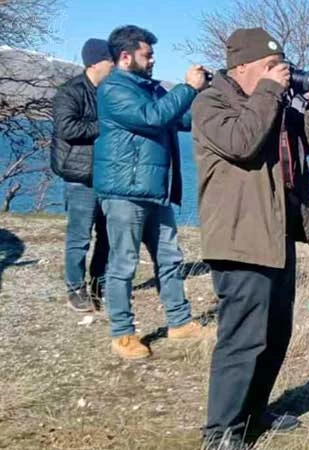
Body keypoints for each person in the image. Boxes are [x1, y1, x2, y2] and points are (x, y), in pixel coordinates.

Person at [191, 28, 309, 448]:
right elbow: (242, 143)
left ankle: (253, 415)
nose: (280, 73)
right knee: (242, 339)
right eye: (270, 66)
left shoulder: (270, 101)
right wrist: (271, 90)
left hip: (276, 233)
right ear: (241, 68)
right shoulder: (210, 103)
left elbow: (308, 144)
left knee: (274, 333)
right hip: (239, 236)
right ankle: (220, 433)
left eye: (281, 65)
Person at [93, 25, 209, 360]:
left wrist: (204, 94)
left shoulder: (149, 88)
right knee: (124, 263)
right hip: (124, 191)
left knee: (170, 258)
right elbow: (152, 118)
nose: (153, 58)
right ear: (126, 57)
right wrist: (187, 87)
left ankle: (179, 322)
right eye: (148, 53)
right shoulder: (114, 89)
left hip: (153, 190)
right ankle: (122, 333)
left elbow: (182, 119)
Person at [51, 38, 114, 312]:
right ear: (95, 62)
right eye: (110, 60)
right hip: (79, 175)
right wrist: (106, 126)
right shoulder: (70, 92)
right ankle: (75, 289)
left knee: (107, 235)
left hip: (107, 173)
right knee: (79, 237)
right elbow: (67, 128)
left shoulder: (110, 91)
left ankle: (99, 284)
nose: (114, 65)